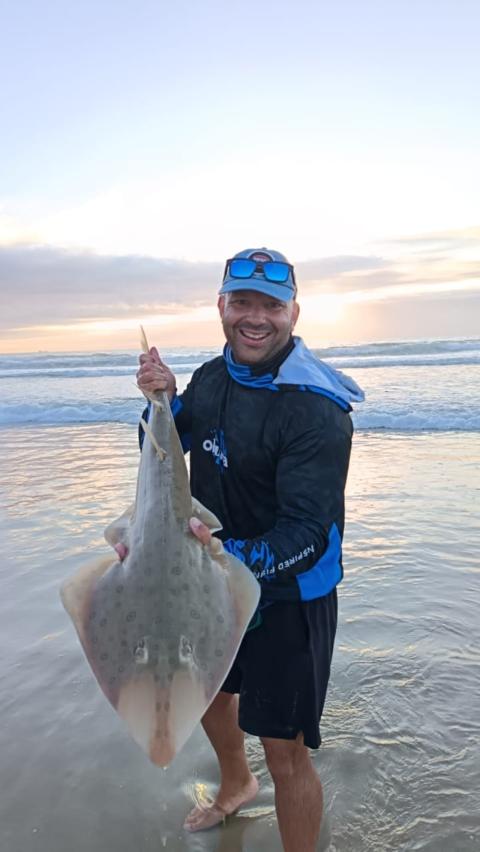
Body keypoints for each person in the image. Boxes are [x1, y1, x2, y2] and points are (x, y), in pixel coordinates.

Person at [136, 247, 364, 852]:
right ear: (222, 306)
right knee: (212, 694)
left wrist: (222, 555)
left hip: (289, 595)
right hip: (211, 578)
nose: (255, 318)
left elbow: (307, 535)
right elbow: (164, 448)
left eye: (271, 305)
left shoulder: (315, 408)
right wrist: (161, 401)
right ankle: (236, 784)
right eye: (242, 302)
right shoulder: (213, 377)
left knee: (285, 750)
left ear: (294, 312)